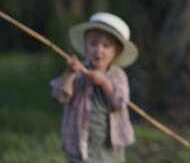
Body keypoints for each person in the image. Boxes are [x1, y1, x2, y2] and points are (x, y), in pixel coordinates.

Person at [50, 12, 138, 162]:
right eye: (93, 44)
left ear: (116, 52)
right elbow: (60, 96)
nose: (99, 50)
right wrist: (70, 74)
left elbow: (119, 103)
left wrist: (105, 83)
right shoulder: (79, 71)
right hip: (79, 143)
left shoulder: (118, 75)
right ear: (86, 46)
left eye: (106, 46)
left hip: (109, 147)